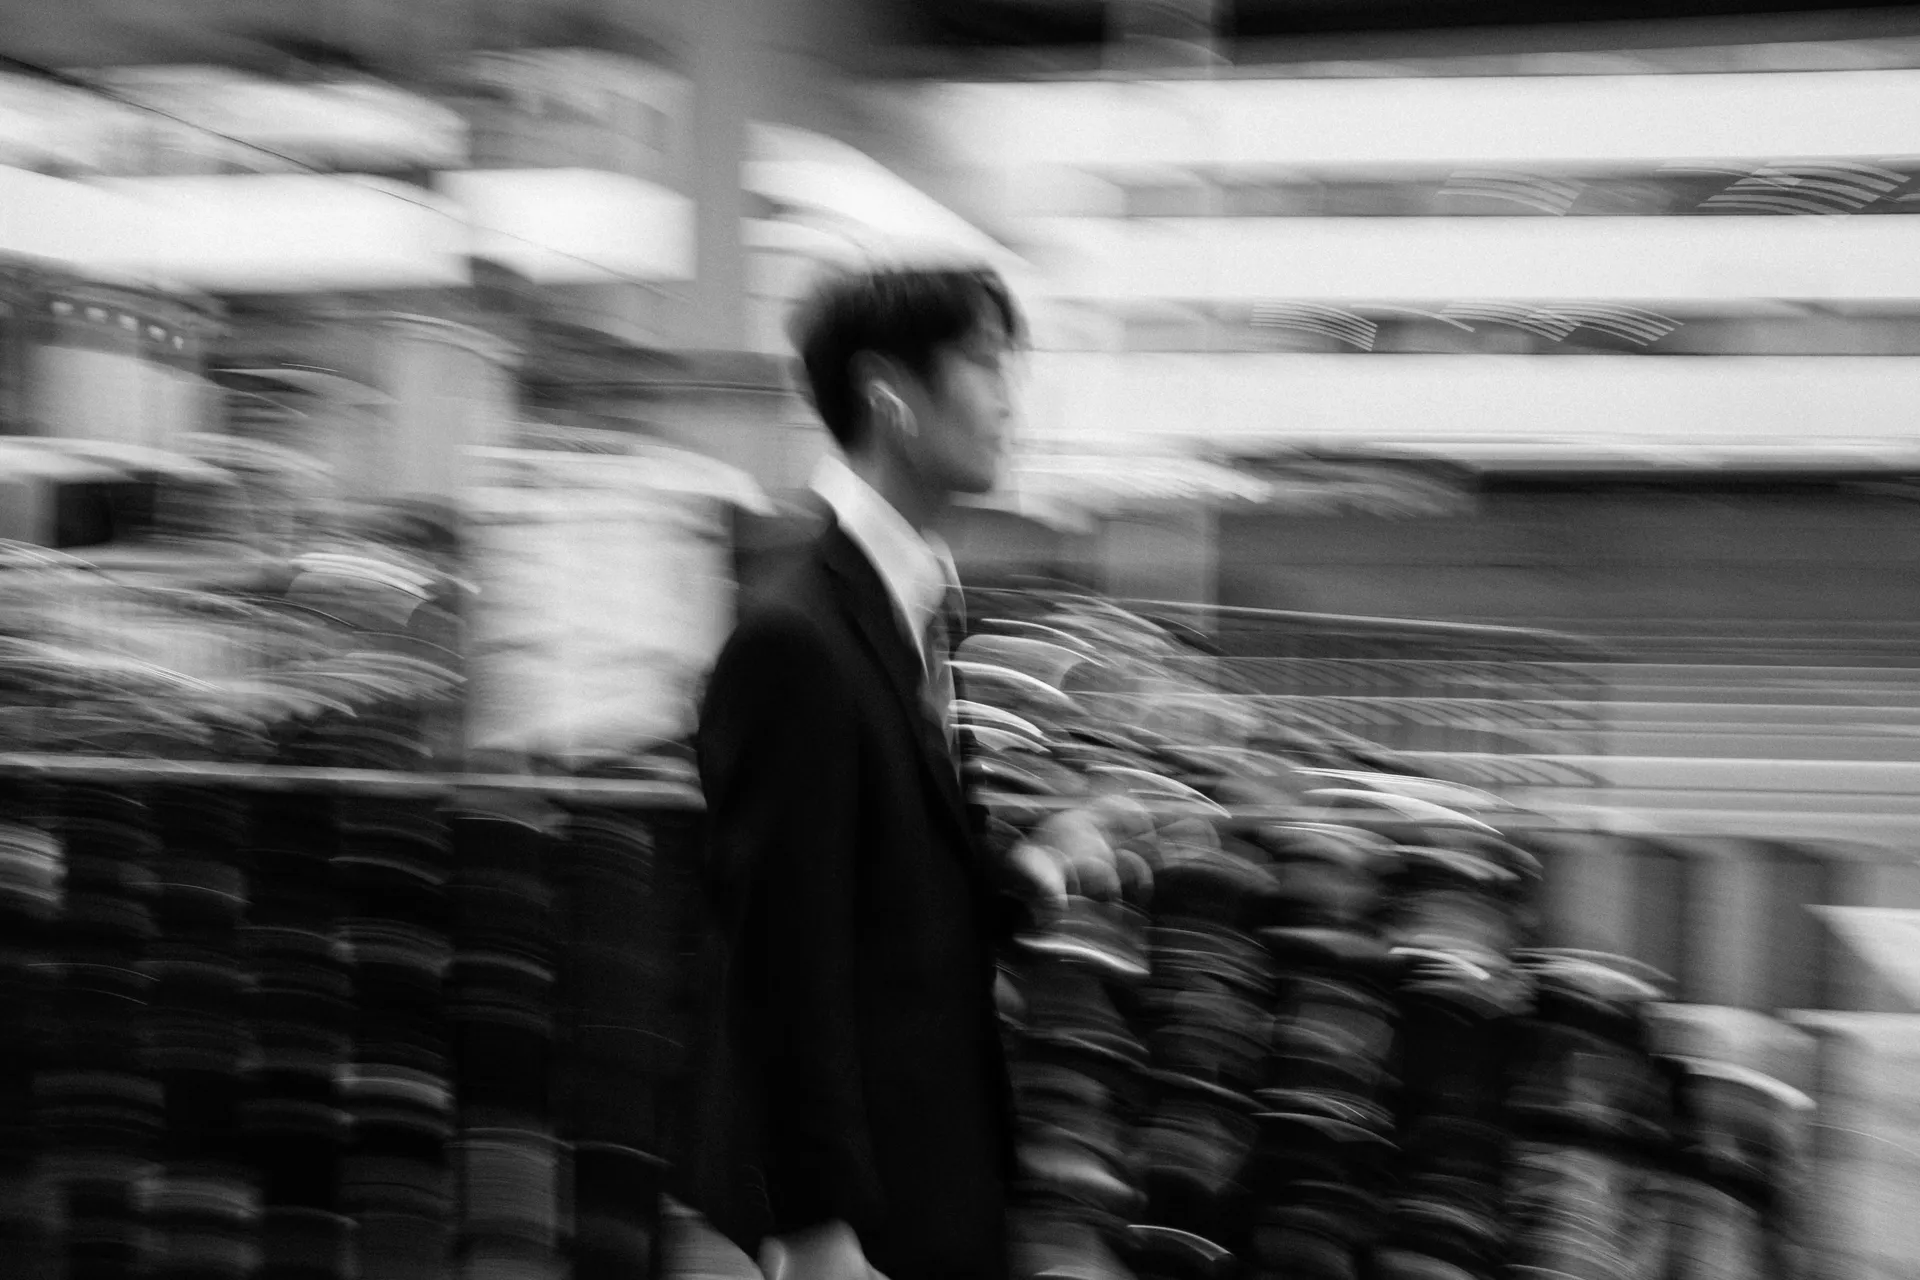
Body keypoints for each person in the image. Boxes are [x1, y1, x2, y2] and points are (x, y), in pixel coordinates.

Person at [677, 264, 1032, 1280]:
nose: (1010, 400)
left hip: (934, 1165)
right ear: (889, 394)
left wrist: (1033, 867)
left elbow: (889, 882)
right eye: (984, 364)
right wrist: (818, 1224)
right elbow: (781, 957)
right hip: (869, 1204)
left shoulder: (909, 608)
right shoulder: (798, 638)